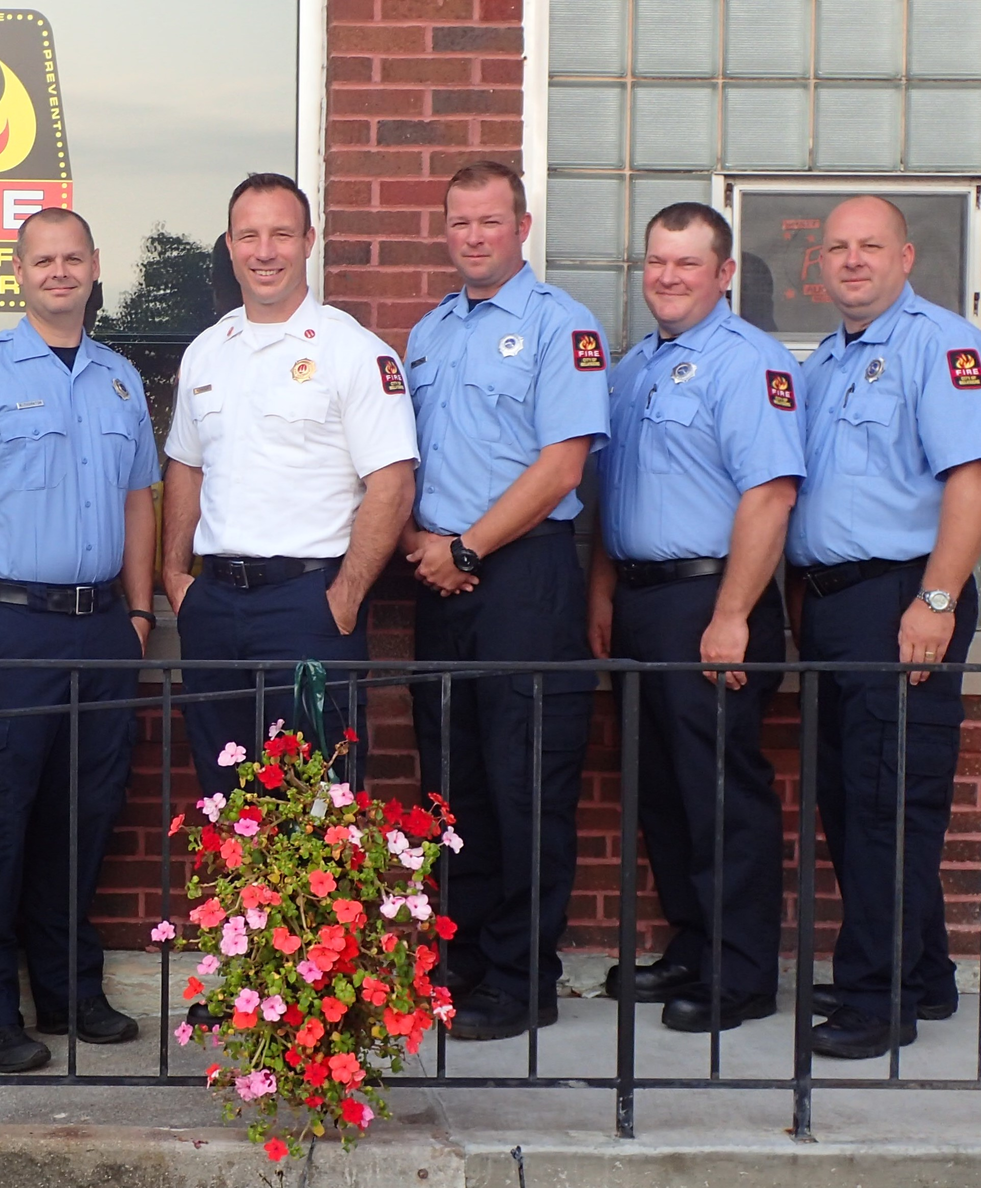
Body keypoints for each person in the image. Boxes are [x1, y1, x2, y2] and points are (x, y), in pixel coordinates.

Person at [0, 207, 158, 1073]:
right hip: (12, 626)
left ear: (96, 265)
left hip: (102, 630)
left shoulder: (122, 378)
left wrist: (139, 615)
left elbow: (141, 501)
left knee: (83, 818)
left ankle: (69, 991)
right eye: (42, 260)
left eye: (72, 258)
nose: (59, 273)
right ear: (20, 272)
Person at [788, 196, 981, 1059]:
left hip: (906, 599)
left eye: (870, 246)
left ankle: (879, 1002)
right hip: (839, 606)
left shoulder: (942, 347)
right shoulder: (827, 364)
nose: (851, 261)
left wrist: (939, 600)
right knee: (855, 800)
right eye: (837, 247)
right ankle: (922, 973)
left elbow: (975, 479)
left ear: (906, 256)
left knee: (887, 802)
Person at [400, 160, 610, 1041]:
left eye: (490, 221)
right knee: (455, 788)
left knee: (525, 783)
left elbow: (564, 465)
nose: (474, 236)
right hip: (439, 583)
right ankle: (462, 962)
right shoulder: (427, 334)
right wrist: (424, 546)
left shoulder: (563, 327)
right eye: (459, 223)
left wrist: (466, 547)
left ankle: (523, 978)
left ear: (521, 227)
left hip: (525, 579)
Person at [587, 203, 804, 1033]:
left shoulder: (749, 363)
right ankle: (694, 944)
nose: (668, 277)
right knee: (663, 791)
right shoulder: (637, 366)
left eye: (687, 263)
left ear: (724, 275)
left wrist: (733, 614)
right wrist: (603, 592)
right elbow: (616, 493)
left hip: (710, 601)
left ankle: (741, 973)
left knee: (720, 794)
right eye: (656, 262)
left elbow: (771, 493)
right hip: (643, 600)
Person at [162, 173, 417, 798]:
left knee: (315, 807)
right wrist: (175, 578)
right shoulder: (206, 352)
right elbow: (185, 468)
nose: (264, 251)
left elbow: (392, 483)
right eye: (249, 235)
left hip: (308, 608)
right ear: (229, 245)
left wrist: (346, 596)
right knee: (225, 802)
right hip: (214, 608)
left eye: (281, 234)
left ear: (309, 241)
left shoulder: (354, 351)